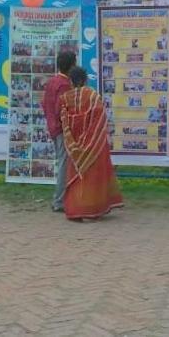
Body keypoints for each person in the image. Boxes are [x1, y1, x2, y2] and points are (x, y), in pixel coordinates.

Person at [58, 66, 123, 221]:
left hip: (73, 145)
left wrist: (74, 142)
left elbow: (65, 121)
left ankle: (75, 210)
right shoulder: (94, 97)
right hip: (94, 143)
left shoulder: (65, 98)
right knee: (92, 177)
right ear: (85, 79)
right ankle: (93, 209)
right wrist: (91, 139)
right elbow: (99, 120)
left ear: (71, 81)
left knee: (77, 177)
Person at [42, 51, 76, 212]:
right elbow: (61, 109)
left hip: (53, 127)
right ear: (72, 66)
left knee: (64, 161)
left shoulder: (52, 82)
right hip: (61, 129)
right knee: (64, 163)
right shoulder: (64, 84)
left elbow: (45, 104)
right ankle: (59, 200)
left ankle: (64, 198)